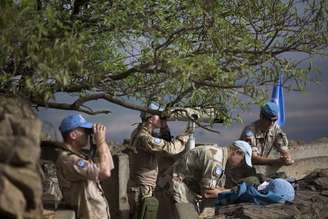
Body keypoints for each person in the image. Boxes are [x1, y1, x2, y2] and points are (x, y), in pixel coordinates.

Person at [128, 109, 190, 218]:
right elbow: (169, 148)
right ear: (151, 119)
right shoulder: (144, 138)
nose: (161, 118)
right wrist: (183, 139)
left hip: (140, 186)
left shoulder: (140, 132)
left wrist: (164, 125)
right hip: (142, 188)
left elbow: (164, 140)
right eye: (159, 116)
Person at [56, 114, 114, 219]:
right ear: (73, 135)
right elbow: (105, 172)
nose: (88, 135)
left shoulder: (79, 156)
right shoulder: (69, 160)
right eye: (85, 131)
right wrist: (100, 142)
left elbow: (108, 166)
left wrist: (102, 142)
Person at [164, 140, 253, 206]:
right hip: (174, 186)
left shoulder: (219, 154)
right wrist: (233, 192)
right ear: (236, 152)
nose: (240, 165)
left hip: (179, 185)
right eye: (242, 161)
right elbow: (207, 193)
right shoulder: (216, 161)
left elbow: (215, 188)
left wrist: (223, 191)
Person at [240, 101, 294, 166]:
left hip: (260, 168)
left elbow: (283, 147)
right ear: (261, 116)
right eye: (269, 120)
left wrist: (287, 157)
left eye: (274, 120)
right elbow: (253, 158)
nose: (271, 123)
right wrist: (274, 161)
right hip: (242, 168)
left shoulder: (275, 128)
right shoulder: (250, 132)